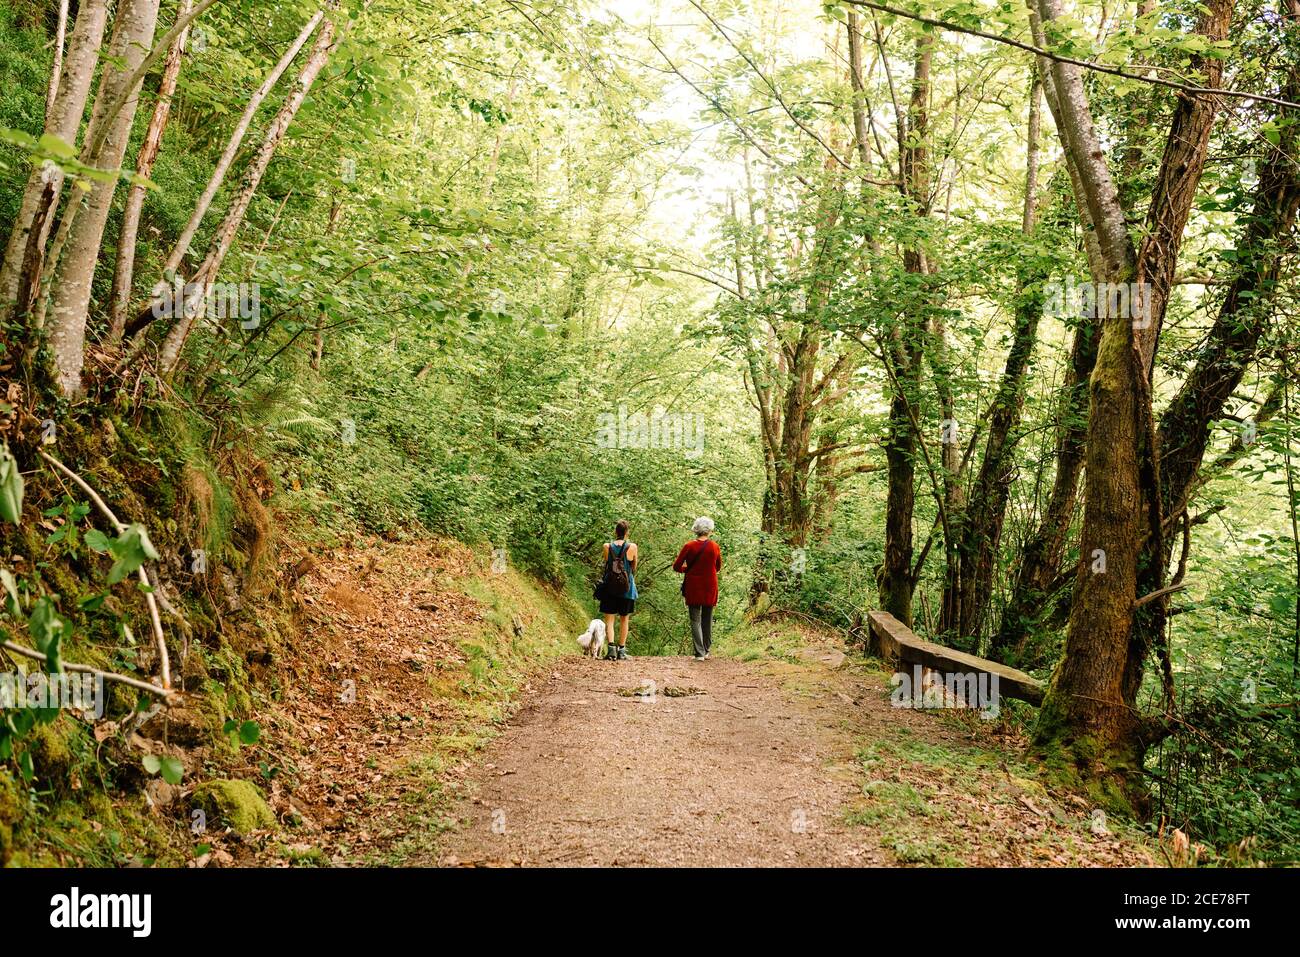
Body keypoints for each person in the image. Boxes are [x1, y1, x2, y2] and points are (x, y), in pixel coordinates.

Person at [673, 517, 722, 660]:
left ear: (696, 529)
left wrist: (687, 570)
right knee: (707, 618)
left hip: (693, 586)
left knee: (695, 619)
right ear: (710, 530)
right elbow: (718, 567)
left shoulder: (688, 546)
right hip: (710, 585)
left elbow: (676, 566)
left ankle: (699, 653)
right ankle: (706, 650)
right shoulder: (714, 546)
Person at [598, 520, 638, 660]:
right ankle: (622, 650)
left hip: (610, 588)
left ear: (616, 532)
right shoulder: (632, 547)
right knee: (624, 619)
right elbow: (634, 566)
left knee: (609, 619)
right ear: (627, 533)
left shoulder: (607, 546)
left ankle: (610, 649)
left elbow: (607, 563)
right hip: (627, 589)